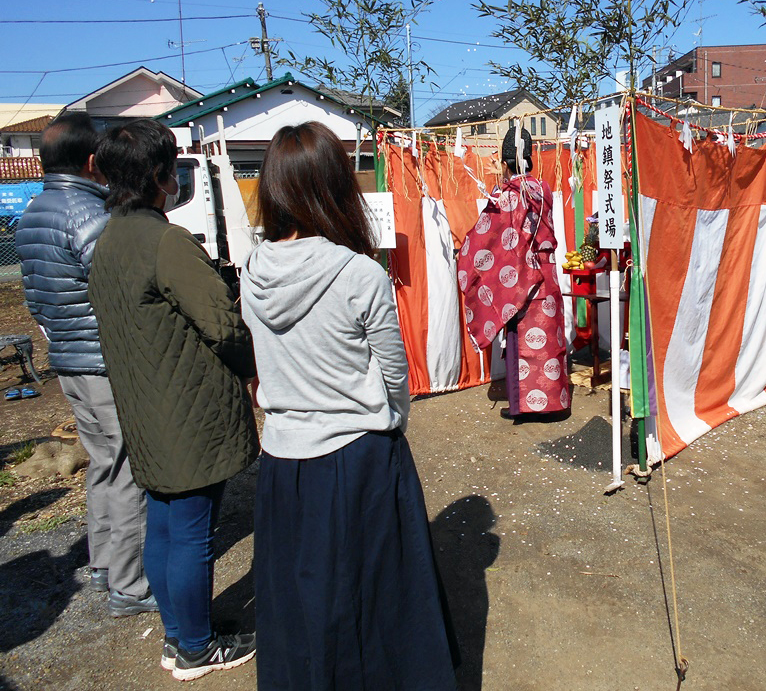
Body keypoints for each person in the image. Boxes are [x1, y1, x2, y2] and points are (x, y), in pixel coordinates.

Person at [240, 121, 458, 691]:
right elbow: (393, 377)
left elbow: (264, 362)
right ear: (333, 187)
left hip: (281, 463)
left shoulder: (252, 272)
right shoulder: (358, 272)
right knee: (377, 608)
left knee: (299, 607)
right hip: (359, 458)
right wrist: (390, 426)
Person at [88, 119, 259, 681]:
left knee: (163, 523)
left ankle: (177, 632)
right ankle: (195, 645)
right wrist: (252, 367)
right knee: (190, 530)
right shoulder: (166, 241)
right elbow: (223, 324)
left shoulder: (109, 238)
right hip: (187, 409)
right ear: (162, 175)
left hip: (144, 405)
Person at [15, 112, 155, 617]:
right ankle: (130, 584)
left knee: (101, 460)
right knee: (127, 470)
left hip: (68, 360)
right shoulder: (91, 215)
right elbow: (116, 293)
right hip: (104, 360)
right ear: (93, 161)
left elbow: (35, 297)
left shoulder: (32, 213)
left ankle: (102, 561)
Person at [457, 125, 570, 420]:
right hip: (549, 275)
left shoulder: (509, 193)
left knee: (526, 346)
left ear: (506, 164)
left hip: (524, 278)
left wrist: (465, 255)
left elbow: (491, 232)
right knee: (549, 342)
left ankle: (525, 406)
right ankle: (555, 403)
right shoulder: (542, 189)